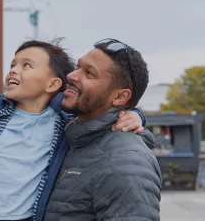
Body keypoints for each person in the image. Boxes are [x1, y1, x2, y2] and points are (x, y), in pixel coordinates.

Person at [0, 1, 147, 221]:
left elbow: (103, 108)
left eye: (26, 65)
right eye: (13, 65)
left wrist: (136, 115)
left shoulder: (63, 117)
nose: (14, 71)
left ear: (53, 85)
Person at [40, 38, 162, 221]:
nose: (72, 76)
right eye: (78, 67)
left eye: (89, 73)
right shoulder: (73, 136)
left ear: (120, 97)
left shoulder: (126, 163)